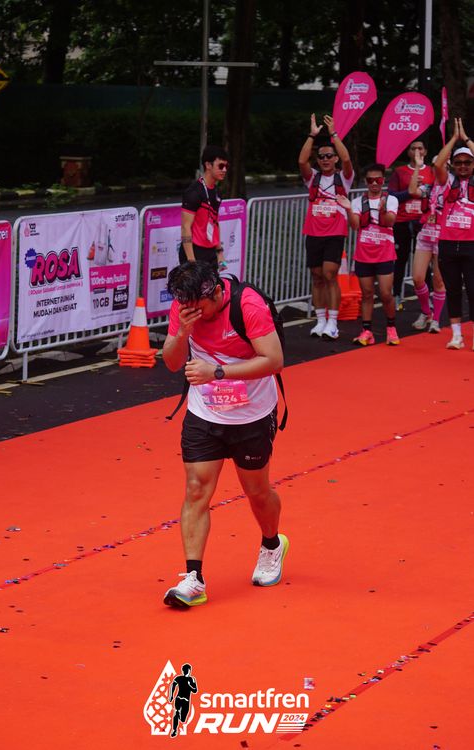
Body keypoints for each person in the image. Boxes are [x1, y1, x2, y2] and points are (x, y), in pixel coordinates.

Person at [162, 262, 288, 608]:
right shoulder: (185, 306)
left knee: (257, 492)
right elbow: (172, 362)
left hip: (252, 414)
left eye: (198, 308)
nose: (192, 312)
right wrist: (182, 333)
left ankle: (272, 545)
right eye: (185, 307)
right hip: (205, 412)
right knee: (196, 489)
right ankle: (193, 578)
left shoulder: (248, 305)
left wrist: (216, 371)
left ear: (216, 293)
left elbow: (274, 360)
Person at [298, 114, 354, 339]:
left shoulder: (344, 178)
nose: (325, 160)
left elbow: (347, 159)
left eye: (329, 156)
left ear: (335, 159)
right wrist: (312, 135)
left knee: (330, 274)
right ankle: (320, 320)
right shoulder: (313, 178)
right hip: (313, 232)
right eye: (321, 157)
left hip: (335, 233)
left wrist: (334, 134)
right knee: (317, 275)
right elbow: (302, 162)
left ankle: (333, 322)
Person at [337, 164, 400, 345]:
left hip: (385, 254)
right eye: (370, 180)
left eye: (378, 180)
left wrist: (382, 209)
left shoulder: (391, 200)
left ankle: (391, 328)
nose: (374, 183)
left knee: (386, 294)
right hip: (364, 255)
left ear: (383, 181)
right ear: (366, 182)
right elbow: (355, 225)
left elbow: (390, 222)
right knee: (366, 294)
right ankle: (366, 331)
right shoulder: (358, 202)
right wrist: (348, 209)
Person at [409, 134, 456, 334]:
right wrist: (418, 167)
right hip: (426, 235)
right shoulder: (429, 187)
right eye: (435, 167)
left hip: (443, 237)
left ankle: (436, 319)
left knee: (438, 280)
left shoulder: (453, 186)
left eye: (442, 166)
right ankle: (426, 312)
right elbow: (412, 190)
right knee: (418, 278)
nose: (438, 169)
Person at [436, 118, 474, 350]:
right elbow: (439, 164)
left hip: (472, 244)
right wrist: (453, 139)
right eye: (458, 163)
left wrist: (466, 139)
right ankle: (456, 335)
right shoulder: (447, 181)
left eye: (467, 162)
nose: (462, 166)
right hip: (448, 243)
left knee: (473, 290)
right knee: (452, 290)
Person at [388, 140, 435, 309]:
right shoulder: (400, 172)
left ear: (425, 152)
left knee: (424, 261)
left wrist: (421, 192)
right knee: (400, 259)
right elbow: (392, 195)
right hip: (402, 220)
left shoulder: (431, 171)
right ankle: (396, 296)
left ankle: (428, 298)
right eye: (413, 148)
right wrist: (411, 192)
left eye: (420, 148)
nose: (416, 151)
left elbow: (435, 194)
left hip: (423, 222)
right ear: (408, 152)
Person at [180, 145, 229, 272]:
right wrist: (191, 262)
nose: (224, 170)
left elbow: (215, 221)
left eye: (226, 166)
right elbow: (185, 227)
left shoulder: (217, 191)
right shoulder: (194, 192)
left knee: (215, 285)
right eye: (220, 166)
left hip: (210, 252)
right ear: (208, 165)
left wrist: (219, 252)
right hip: (194, 252)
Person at [169, 664, 197, 738]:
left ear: (190, 671)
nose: (186, 672)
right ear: (182, 670)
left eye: (187, 670)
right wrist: (171, 695)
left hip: (186, 701)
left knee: (183, 719)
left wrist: (189, 685)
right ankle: (174, 730)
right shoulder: (179, 678)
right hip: (179, 698)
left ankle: (179, 716)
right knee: (176, 712)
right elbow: (173, 685)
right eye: (184, 670)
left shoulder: (192, 679)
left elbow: (195, 690)